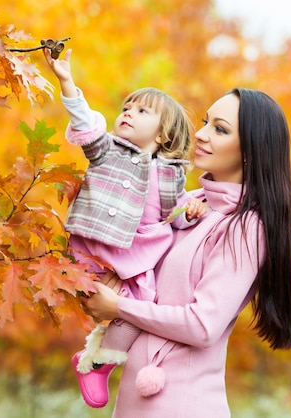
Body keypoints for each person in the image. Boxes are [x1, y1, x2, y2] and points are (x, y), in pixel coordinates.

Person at [80, 88, 291, 417]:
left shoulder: (244, 227)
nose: (200, 134)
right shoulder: (189, 204)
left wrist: (120, 307)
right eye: (204, 122)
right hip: (135, 402)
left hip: (181, 404)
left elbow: (202, 326)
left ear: (251, 153)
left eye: (220, 129)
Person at [43, 47, 208, 408]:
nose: (128, 113)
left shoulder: (171, 173)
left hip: (134, 260)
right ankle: (95, 358)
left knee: (139, 310)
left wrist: (191, 210)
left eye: (142, 110)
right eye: (126, 108)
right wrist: (67, 81)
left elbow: (174, 214)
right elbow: (85, 123)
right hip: (93, 252)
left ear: (163, 135)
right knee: (97, 299)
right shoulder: (107, 150)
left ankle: (97, 364)